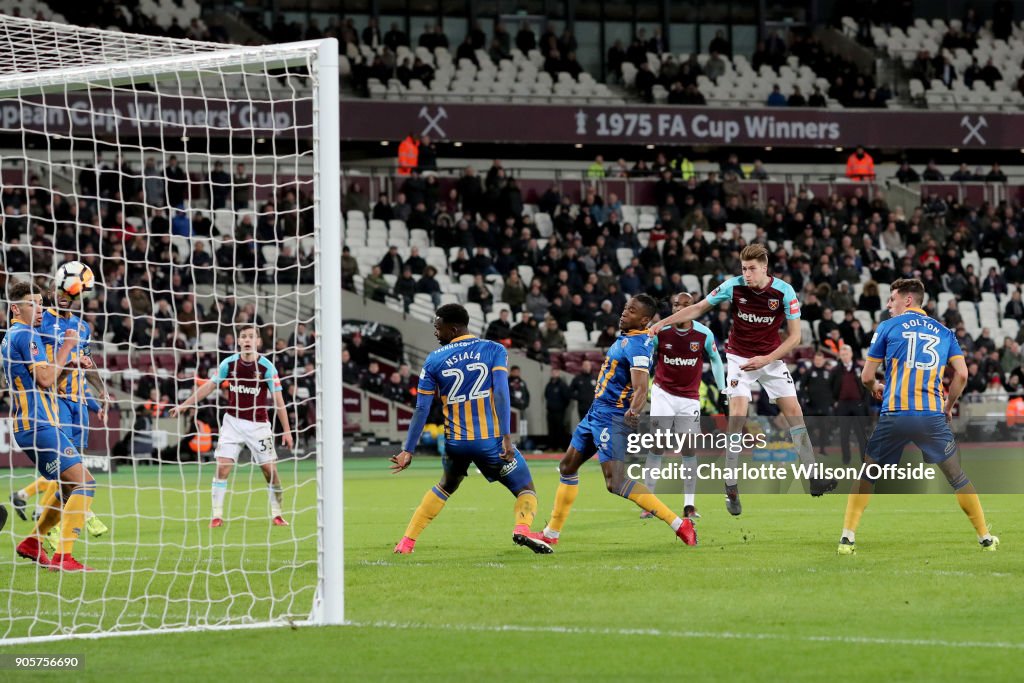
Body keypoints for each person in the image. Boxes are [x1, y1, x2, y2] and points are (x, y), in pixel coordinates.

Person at [650, 244, 837, 514]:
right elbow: (699, 308)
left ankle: (813, 476)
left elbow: (796, 337)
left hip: (770, 358)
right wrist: (662, 322)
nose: (746, 274)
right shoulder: (733, 286)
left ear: (764, 267)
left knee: (795, 412)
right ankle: (730, 484)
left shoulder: (784, 292)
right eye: (743, 269)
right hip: (739, 357)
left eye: (751, 269)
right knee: (738, 415)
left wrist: (767, 359)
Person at [837, 278, 998, 553]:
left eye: (892, 298)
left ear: (907, 300)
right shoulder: (946, 332)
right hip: (931, 416)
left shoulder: (888, 327)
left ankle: (847, 537)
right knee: (957, 477)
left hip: (895, 414)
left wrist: (875, 386)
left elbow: (866, 376)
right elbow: (962, 374)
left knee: (867, 474)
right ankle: (984, 537)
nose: (889, 304)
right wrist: (948, 407)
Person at [528, 295, 698, 548]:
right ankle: (551, 533)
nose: (623, 313)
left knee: (615, 483)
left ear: (644, 319)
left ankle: (679, 524)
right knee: (567, 467)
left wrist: (632, 414)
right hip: (596, 413)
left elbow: (642, 387)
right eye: (625, 308)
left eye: (631, 310)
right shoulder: (629, 338)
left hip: (612, 417)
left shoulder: (639, 345)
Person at [389, 304, 552, 555]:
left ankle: (406, 542)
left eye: (437, 327)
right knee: (526, 488)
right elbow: (500, 392)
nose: (435, 332)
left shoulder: (433, 360)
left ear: (453, 329)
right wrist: (507, 437)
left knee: (445, 486)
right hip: (490, 441)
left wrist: (407, 450)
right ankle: (522, 528)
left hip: (455, 443)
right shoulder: (494, 350)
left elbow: (421, 409)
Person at [10, 279, 112, 550]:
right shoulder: (34, 329)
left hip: (72, 407)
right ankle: (62, 546)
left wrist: (100, 391)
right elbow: (44, 378)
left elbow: (83, 361)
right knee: (79, 480)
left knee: (69, 480)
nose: (40, 309)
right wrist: (67, 349)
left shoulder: (81, 326)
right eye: (35, 303)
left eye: (40, 304)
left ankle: (37, 536)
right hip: (51, 411)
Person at [170, 325, 294, 528]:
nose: (247, 340)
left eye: (251, 337)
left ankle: (277, 514)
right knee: (223, 468)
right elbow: (209, 386)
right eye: (243, 336)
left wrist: (287, 431)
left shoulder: (267, 367)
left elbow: (279, 401)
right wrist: (184, 405)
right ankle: (216, 516)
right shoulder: (229, 363)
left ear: (258, 342)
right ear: (238, 341)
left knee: (269, 471)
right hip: (232, 423)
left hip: (259, 425)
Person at [641, 292, 726, 520]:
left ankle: (689, 505)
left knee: (688, 449)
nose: (679, 309)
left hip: (689, 398)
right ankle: (648, 502)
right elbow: (647, 359)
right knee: (658, 444)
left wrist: (723, 388)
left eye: (685, 305)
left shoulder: (703, 334)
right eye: (676, 304)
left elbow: (716, 360)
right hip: (663, 394)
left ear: (694, 308)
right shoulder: (662, 331)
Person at [830, 345, 869, 465]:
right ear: (840, 356)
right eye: (842, 355)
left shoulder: (861, 369)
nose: (845, 357)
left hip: (857, 405)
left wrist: (864, 404)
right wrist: (834, 402)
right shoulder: (836, 370)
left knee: (861, 434)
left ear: (851, 354)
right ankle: (846, 459)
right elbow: (829, 388)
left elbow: (867, 386)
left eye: (846, 354)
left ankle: (864, 459)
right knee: (844, 434)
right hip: (843, 405)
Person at [544, 367, 572, 450]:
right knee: (551, 429)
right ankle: (552, 447)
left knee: (560, 429)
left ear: (559, 373)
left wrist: (562, 407)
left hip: (560, 411)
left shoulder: (562, 385)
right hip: (550, 411)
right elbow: (546, 396)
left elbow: (567, 398)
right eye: (553, 372)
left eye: (556, 372)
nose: (554, 374)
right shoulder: (549, 384)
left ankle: (561, 446)